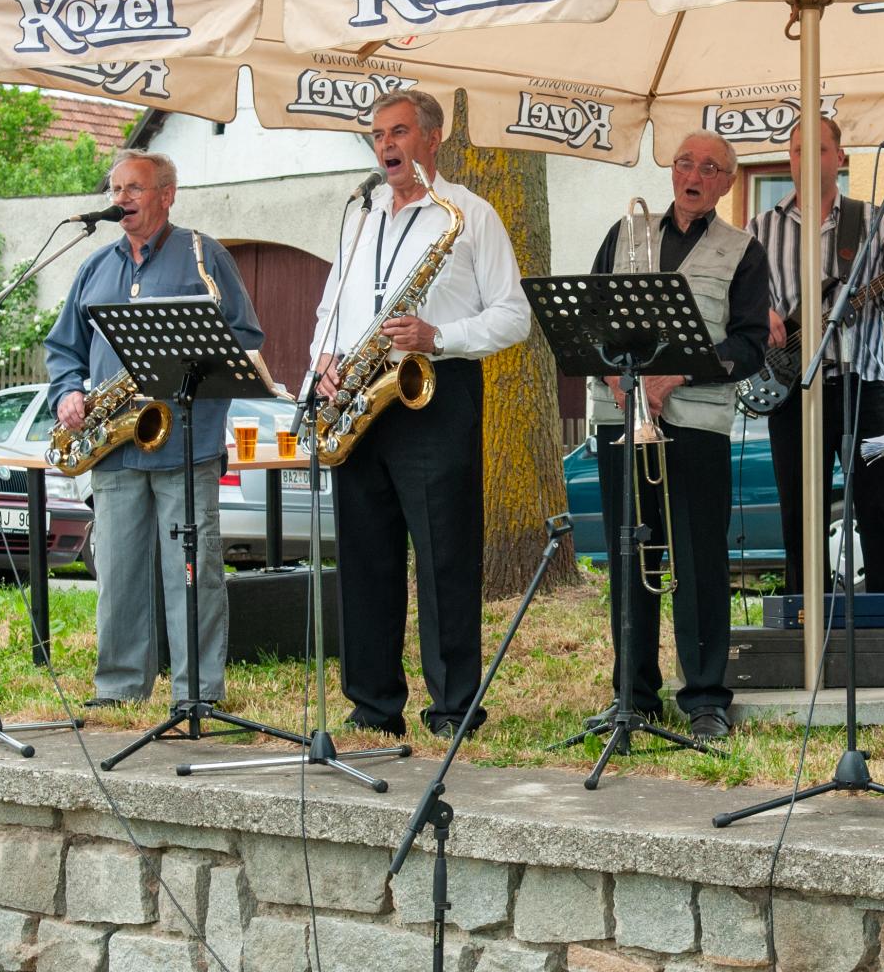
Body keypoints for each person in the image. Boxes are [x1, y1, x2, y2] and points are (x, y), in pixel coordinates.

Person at [309, 89, 530, 740]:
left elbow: (514, 316)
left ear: (433, 139)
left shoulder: (470, 214)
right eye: (378, 134)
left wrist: (439, 337)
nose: (385, 145)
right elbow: (330, 307)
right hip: (360, 394)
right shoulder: (360, 216)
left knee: (444, 558)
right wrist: (323, 361)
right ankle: (373, 705)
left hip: (434, 389)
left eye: (399, 131)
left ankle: (454, 707)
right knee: (364, 558)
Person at [46, 150, 263, 709]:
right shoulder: (95, 266)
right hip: (114, 447)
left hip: (186, 444)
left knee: (193, 574)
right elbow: (63, 347)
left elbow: (245, 337)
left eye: (134, 188)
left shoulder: (204, 256)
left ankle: (197, 693)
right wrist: (68, 391)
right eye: (115, 189)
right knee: (118, 572)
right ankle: (119, 688)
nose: (121, 198)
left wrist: (183, 364)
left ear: (167, 195)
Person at [588, 130, 770, 742]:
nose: (693, 176)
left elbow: (749, 344)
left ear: (727, 181)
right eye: (685, 163)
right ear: (672, 171)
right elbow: (589, 314)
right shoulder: (624, 233)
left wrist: (679, 375)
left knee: (699, 562)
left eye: (709, 168)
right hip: (621, 418)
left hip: (696, 426)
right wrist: (610, 371)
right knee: (628, 558)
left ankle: (706, 699)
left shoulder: (743, 250)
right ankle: (632, 696)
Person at [749, 116, 884, 596]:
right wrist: (760, 312)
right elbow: (738, 304)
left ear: (839, 158)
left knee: (879, 509)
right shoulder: (761, 228)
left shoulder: (874, 222)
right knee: (800, 516)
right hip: (791, 388)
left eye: (818, 149)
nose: (806, 159)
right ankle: (805, 614)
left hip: (862, 382)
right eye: (798, 150)